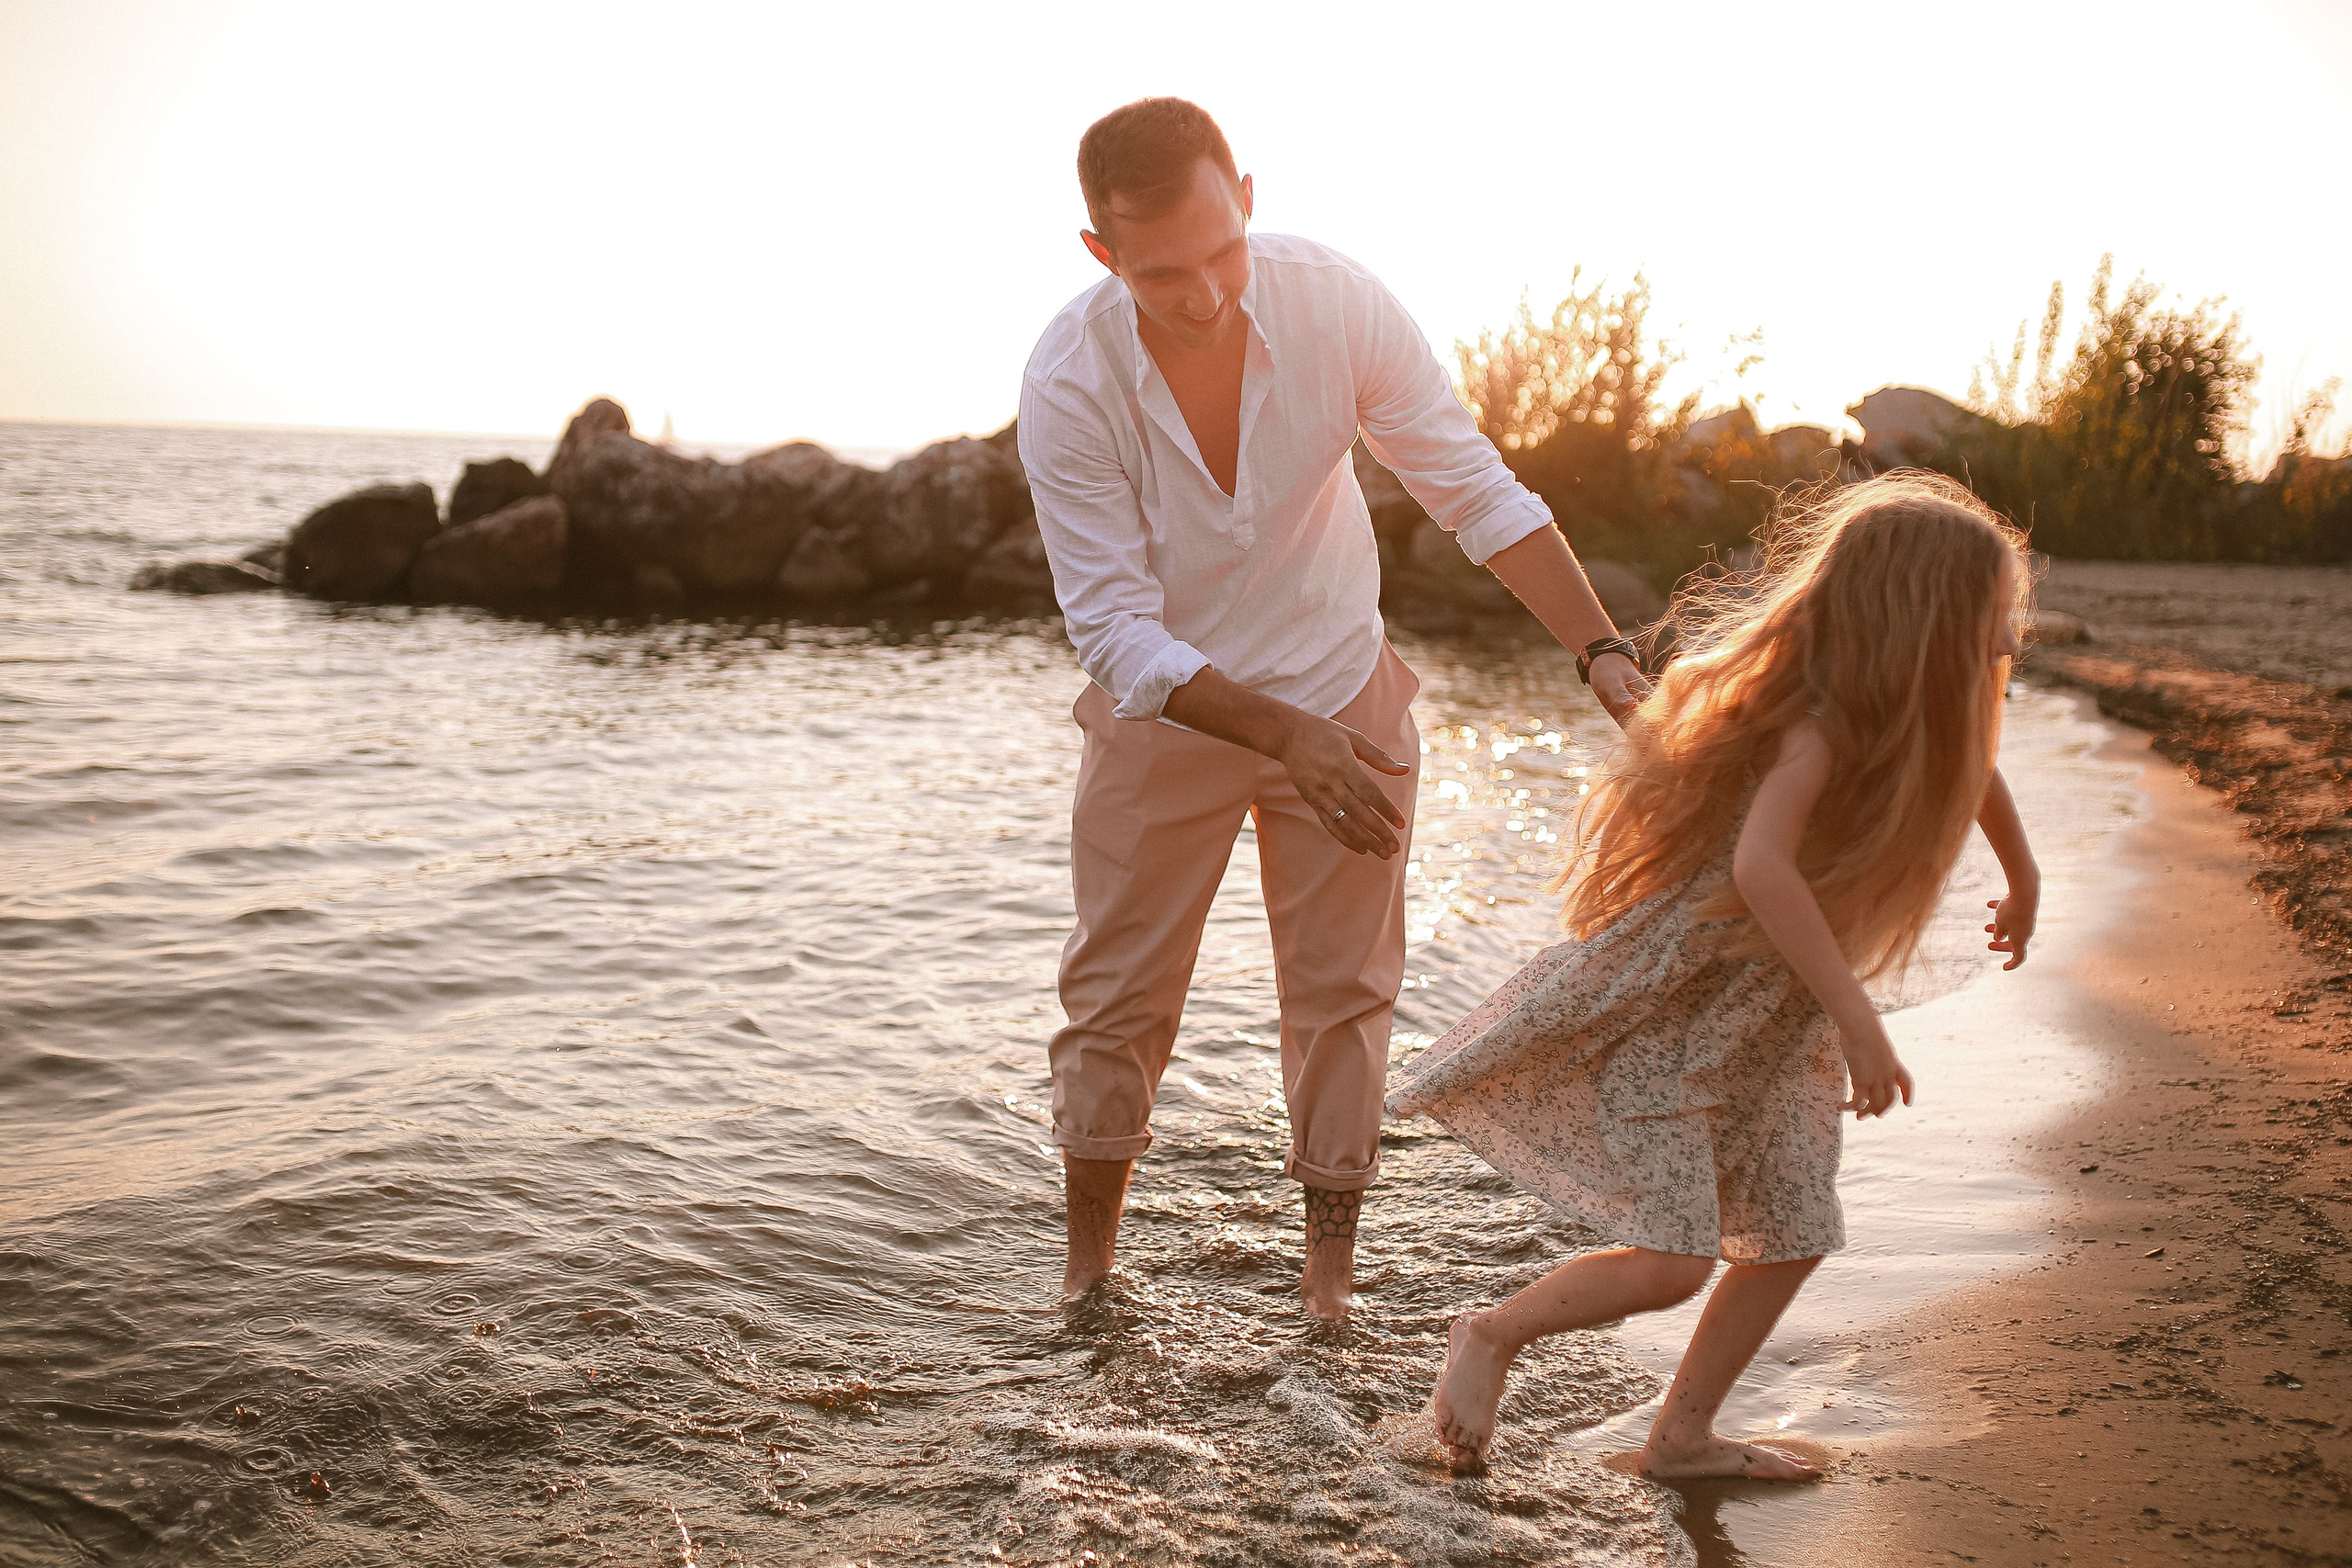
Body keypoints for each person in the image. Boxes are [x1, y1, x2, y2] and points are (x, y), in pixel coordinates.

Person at [1019, 97, 1648, 1320]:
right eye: (1161, 273)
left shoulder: (1339, 303)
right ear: (1101, 253)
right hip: (1168, 714)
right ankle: (1088, 1278)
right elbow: (1109, 624)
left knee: (1344, 994)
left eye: (1222, 250)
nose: (1203, 291)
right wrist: (1279, 733)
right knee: (1117, 997)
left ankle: (1327, 1291)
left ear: (1247, 197)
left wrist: (1601, 652)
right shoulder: (1068, 375)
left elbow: (1473, 487)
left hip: (1343, 687)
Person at [1387, 473, 2042, 1473]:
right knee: (1672, 1262)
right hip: (1680, 1013)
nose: (2009, 635)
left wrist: (2023, 872)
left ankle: (1681, 1437)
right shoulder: (1815, 723)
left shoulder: (1917, 711)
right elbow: (1759, 867)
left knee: (1790, 1232)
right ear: (1924, 621)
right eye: (1993, 615)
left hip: (1777, 1031)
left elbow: (1975, 767)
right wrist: (1860, 1020)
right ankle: (1490, 1333)